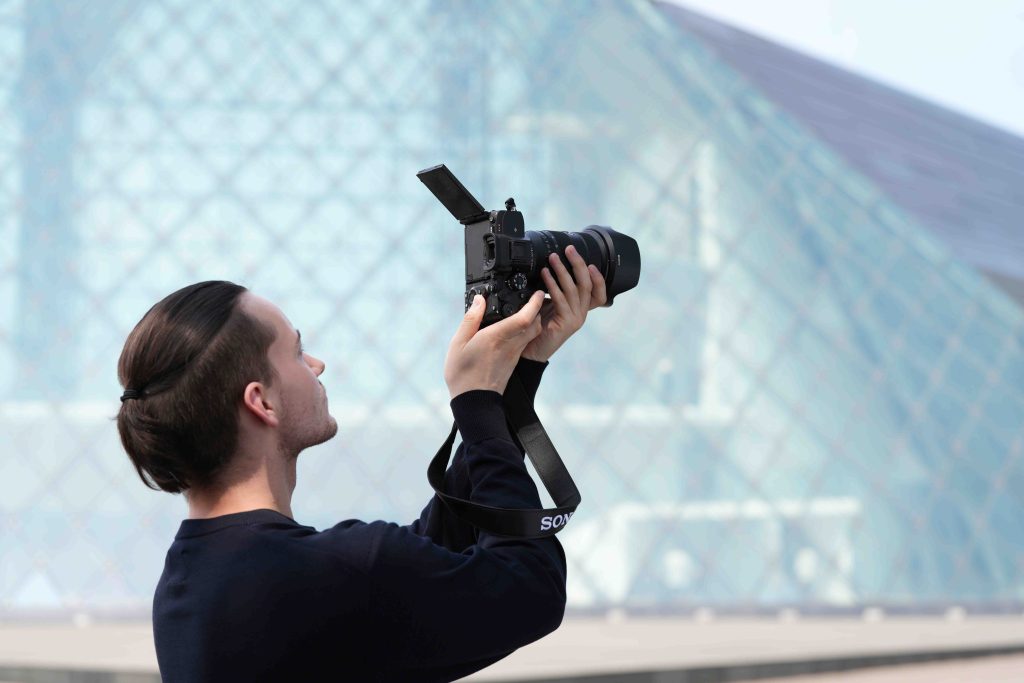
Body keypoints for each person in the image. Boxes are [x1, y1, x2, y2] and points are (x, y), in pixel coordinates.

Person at [116, 245, 607, 682]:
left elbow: (428, 556)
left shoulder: (187, 584)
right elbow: (527, 590)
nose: (317, 366)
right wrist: (475, 403)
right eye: (297, 351)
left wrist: (511, 381)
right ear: (260, 402)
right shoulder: (332, 574)